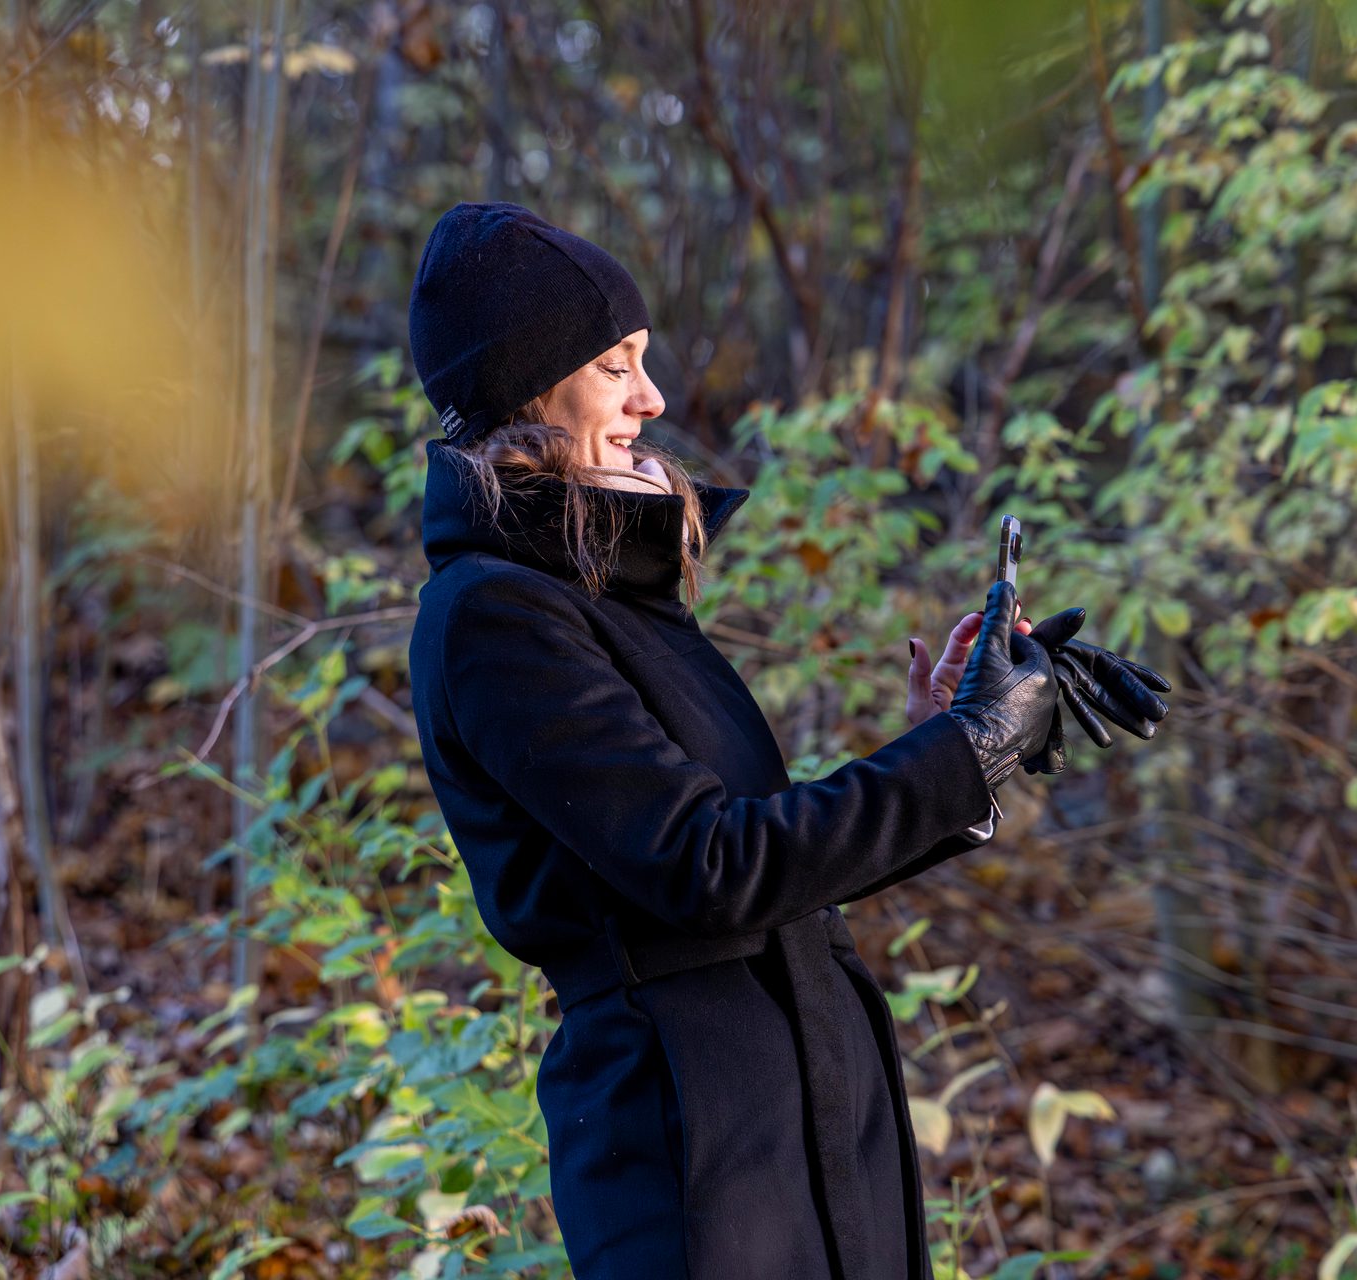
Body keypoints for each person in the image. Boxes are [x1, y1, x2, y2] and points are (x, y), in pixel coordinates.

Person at [404, 201, 1169, 1280]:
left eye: (644, 361)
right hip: (694, 1133)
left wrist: (964, 748)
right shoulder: (494, 614)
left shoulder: (607, 593)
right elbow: (709, 866)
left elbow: (766, 859)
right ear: (530, 386)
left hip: (808, 1103)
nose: (652, 398)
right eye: (616, 365)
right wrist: (960, 752)